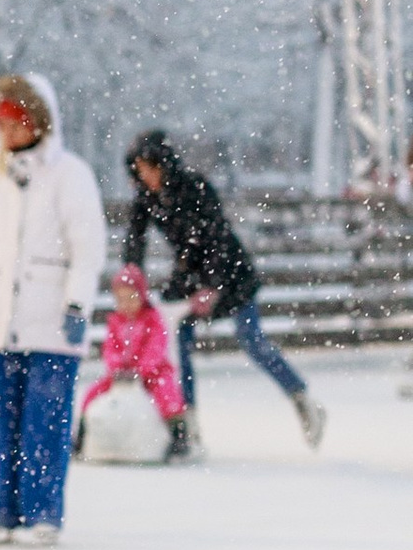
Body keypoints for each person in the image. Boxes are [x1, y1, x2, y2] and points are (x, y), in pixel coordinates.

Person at [0, 72, 106, 546]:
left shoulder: (70, 175)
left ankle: (43, 511)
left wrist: (77, 304)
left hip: (52, 321)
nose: (10, 133)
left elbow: (87, 248)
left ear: (40, 122)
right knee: (4, 422)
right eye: (2, 125)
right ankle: (0, 507)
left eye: (18, 123)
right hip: (3, 320)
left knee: (46, 422)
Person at [122, 129, 325, 455]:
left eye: (149, 168)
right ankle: (187, 423)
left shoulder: (195, 187)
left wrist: (213, 285)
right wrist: (131, 277)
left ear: (163, 164)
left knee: (251, 340)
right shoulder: (146, 198)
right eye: (140, 170)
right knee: (178, 346)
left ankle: (301, 398)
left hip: (230, 273)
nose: (146, 176)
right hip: (188, 274)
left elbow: (217, 236)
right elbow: (135, 239)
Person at [72, 263, 186, 457]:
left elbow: (156, 347)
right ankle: (81, 436)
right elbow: (110, 348)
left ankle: (178, 436)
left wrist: (142, 369)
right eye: (121, 300)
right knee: (92, 394)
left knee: (167, 394)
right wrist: (117, 367)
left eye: (131, 298)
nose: (126, 304)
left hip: (153, 373)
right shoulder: (115, 321)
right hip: (120, 376)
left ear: (142, 296)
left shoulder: (152, 319)